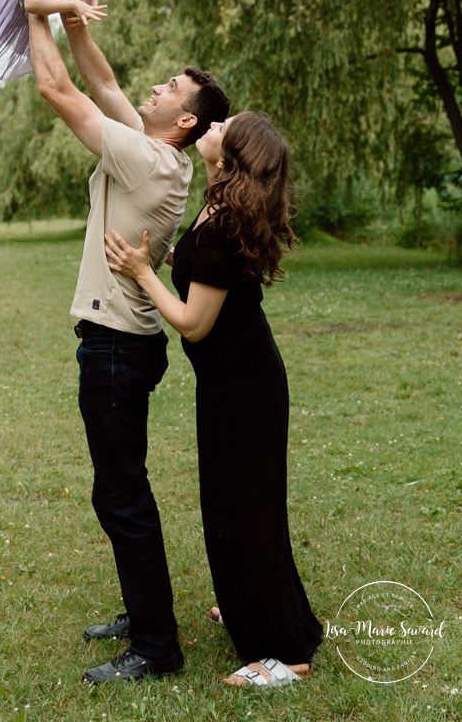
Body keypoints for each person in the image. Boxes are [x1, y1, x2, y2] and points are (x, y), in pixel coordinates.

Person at [25, 0, 230, 684]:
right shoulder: (155, 154)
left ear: (185, 122)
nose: (154, 86)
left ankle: (155, 647)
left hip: (115, 349)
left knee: (120, 496)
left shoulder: (147, 162)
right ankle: (143, 611)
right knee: (120, 491)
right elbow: (105, 86)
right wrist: (73, 22)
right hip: (119, 347)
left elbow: (60, 90)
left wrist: (31, 11)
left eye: (169, 88)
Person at [105, 111, 323, 688]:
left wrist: (138, 269)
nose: (216, 123)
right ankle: (251, 603)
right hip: (232, 385)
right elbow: (204, 271)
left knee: (247, 511)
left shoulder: (226, 222)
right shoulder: (220, 210)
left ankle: (286, 652)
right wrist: (169, 258)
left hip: (245, 389)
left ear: (238, 153)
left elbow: (193, 323)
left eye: (227, 124)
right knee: (235, 506)